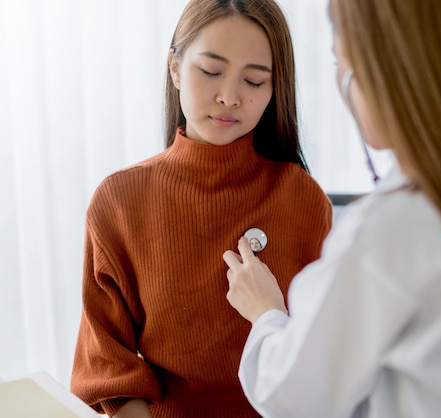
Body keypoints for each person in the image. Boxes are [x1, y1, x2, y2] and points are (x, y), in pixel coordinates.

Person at [222, 0, 441, 416]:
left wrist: (266, 311)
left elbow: (294, 397)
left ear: (380, 71)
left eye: (342, 60)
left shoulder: (393, 228)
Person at [70, 1, 332, 417]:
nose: (230, 97)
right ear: (174, 67)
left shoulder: (303, 199)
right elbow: (109, 368)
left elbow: (327, 364)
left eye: (254, 80)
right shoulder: (119, 202)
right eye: (211, 71)